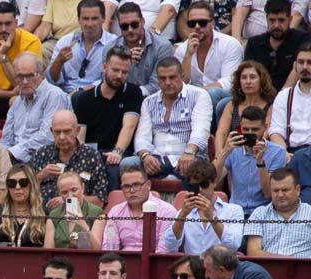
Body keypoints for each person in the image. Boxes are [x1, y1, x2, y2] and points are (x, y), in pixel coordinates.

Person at [128, 57, 213, 186]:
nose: (167, 82)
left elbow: (201, 130)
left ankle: (189, 205)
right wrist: (145, 156)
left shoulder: (199, 95)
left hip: (190, 154)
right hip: (157, 157)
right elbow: (142, 137)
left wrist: (189, 152)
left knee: (194, 169)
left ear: (182, 76)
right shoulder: (149, 102)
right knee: (128, 164)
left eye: (172, 77)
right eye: (162, 78)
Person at [71, 45, 143, 191]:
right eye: (115, 70)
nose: (119, 76)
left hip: (120, 152)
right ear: (104, 67)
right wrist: (86, 157)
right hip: (92, 152)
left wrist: (117, 152)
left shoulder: (133, 92)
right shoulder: (84, 98)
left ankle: (112, 210)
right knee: (81, 170)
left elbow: (128, 126)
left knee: (113, 166)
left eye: (124, 72)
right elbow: (80, 136)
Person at [174, 0, 243, 120]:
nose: (197, 27)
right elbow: (181, 84)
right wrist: (188, 55)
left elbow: (230, 81)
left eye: (202, 23)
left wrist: (200, 92)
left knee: (212, 94)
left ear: (212, 24)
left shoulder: (230, 44)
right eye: (192, 23)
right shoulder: (182, 49)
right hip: (193, 100)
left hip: (224, 97)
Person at [161, 159, 245, 253]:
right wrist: (182, 215)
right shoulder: (184, 212)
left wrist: (212, 217)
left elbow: (234, 245)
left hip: (221, 265)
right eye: (195, 186)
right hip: (193, 265)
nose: (200, 190)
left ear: (214, 183)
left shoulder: (234, 210)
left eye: (204, 184)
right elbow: (170, 245)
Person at [1, 53, 73, 164]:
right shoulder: (17, 103)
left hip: (44, 160)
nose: (24, 81)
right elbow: (6, 139)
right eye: (20, 76)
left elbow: (48, 137)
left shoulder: (54, 96)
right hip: (14, 160)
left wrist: (12, 152)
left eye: (30, 75)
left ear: (41, 74)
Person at [216, 105, 288, 216]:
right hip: (235, 211)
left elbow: (268, 193)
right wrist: (224, 152)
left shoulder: (277, 152)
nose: (249, 133)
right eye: (245, 129)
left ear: (265, 127)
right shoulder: (232, 149)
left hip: (263, 212)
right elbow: (212, 181)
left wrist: (260, 162)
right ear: (240, 127)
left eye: (254, 129)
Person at [28, 109, 108, 205]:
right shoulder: (41, 154)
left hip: (79, 215)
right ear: (51, 131)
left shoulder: (92, 156)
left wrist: (69, 201)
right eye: (57, 132)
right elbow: (21, 191)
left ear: (77, 130)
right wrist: (40, 176)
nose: (62, 137)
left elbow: (100, 200)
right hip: (43, 214)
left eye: (67, 131)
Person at [47, 0, 116, 94]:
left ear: (103, 18)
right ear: (79, 20)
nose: (89, 24)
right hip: (65, 95)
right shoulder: (65, 42)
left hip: (97, 95)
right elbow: (52, 80)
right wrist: (58, 62)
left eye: (94, 18)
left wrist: (80, 91)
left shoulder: (113, 44)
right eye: (85, 19)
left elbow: (114, 79)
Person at [213, 61, 276, 159]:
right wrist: (219, 152)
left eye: (252, 77)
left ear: (261, 80)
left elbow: (266, 134)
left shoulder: (271, 105)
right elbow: (221, 133)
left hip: (260, 152)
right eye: (244, 77)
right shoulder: (232, 105)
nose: (248, 82)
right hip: (234, 154)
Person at [243, 167, 311, 256]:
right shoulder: (259, 214)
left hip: (303, 268)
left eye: (285, 190)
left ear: (297, 190)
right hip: (267, 268)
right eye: (275, 191)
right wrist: (287, 260)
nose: (280, 195)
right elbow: (253, 253)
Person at [242, 0, 307, 91]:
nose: (276, 25)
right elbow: (247, 74)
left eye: (281, 20)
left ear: (290, 19)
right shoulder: (254, 43)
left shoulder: (303, 40)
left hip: (291, 96)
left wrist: (281, 98)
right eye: (272, 20)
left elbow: (300, 68)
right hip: (258, 95)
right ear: (266, 19)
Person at [112, 3, 174, 98]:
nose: (130, 30)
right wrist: (126, 63)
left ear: (143, 22)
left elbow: (158, 84)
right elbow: (109, 83)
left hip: (153, 101)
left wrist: (132, 94)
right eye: (124, 26)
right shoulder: (110, 48)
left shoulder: (163, 46)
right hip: (119, 101)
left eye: (134, 24)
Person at [0, 163, 47, 246]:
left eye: (23, 182)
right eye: (12, 183)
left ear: (32, 185)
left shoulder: (45, 213)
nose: (17, 187)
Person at [44, 171, 105, 248]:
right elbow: (48, 251)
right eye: (64, 192)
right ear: (59, 194)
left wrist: (83, 225)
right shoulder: (54, 215)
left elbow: (97, 249)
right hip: (59, 258)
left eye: (74, 190)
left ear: (82, 188)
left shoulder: (97, 212)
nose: (70, 195)